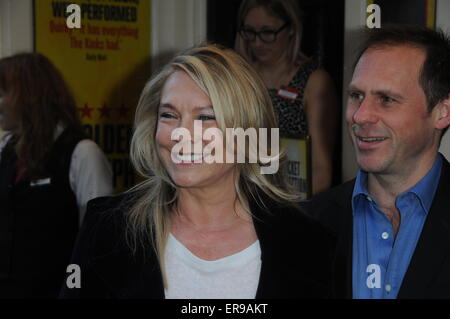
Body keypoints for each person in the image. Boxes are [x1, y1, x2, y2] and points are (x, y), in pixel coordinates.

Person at [60, 44, 335, 299]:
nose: (181, 134)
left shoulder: (308, 241)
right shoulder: (107, 229)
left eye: (205, 117)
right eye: (169, 115)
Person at [304, 24, 450, 299]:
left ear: (442, 111)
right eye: (356, 96)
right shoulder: (310, 223)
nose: (360, 116)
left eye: (386, 99)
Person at [0, 52, 113, 298]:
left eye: (2, 93)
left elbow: (96, 245)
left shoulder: (82, 154)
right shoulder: (5, 150)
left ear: (29, 95)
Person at [235, 0, 338, 195]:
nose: (256, 42)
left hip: (293, 199)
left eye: (267, 32)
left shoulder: (313, 81)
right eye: (249, 31)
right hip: (243, 198)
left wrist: (298, 217)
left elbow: (321, 169)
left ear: (291, 28)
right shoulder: (238, 78)